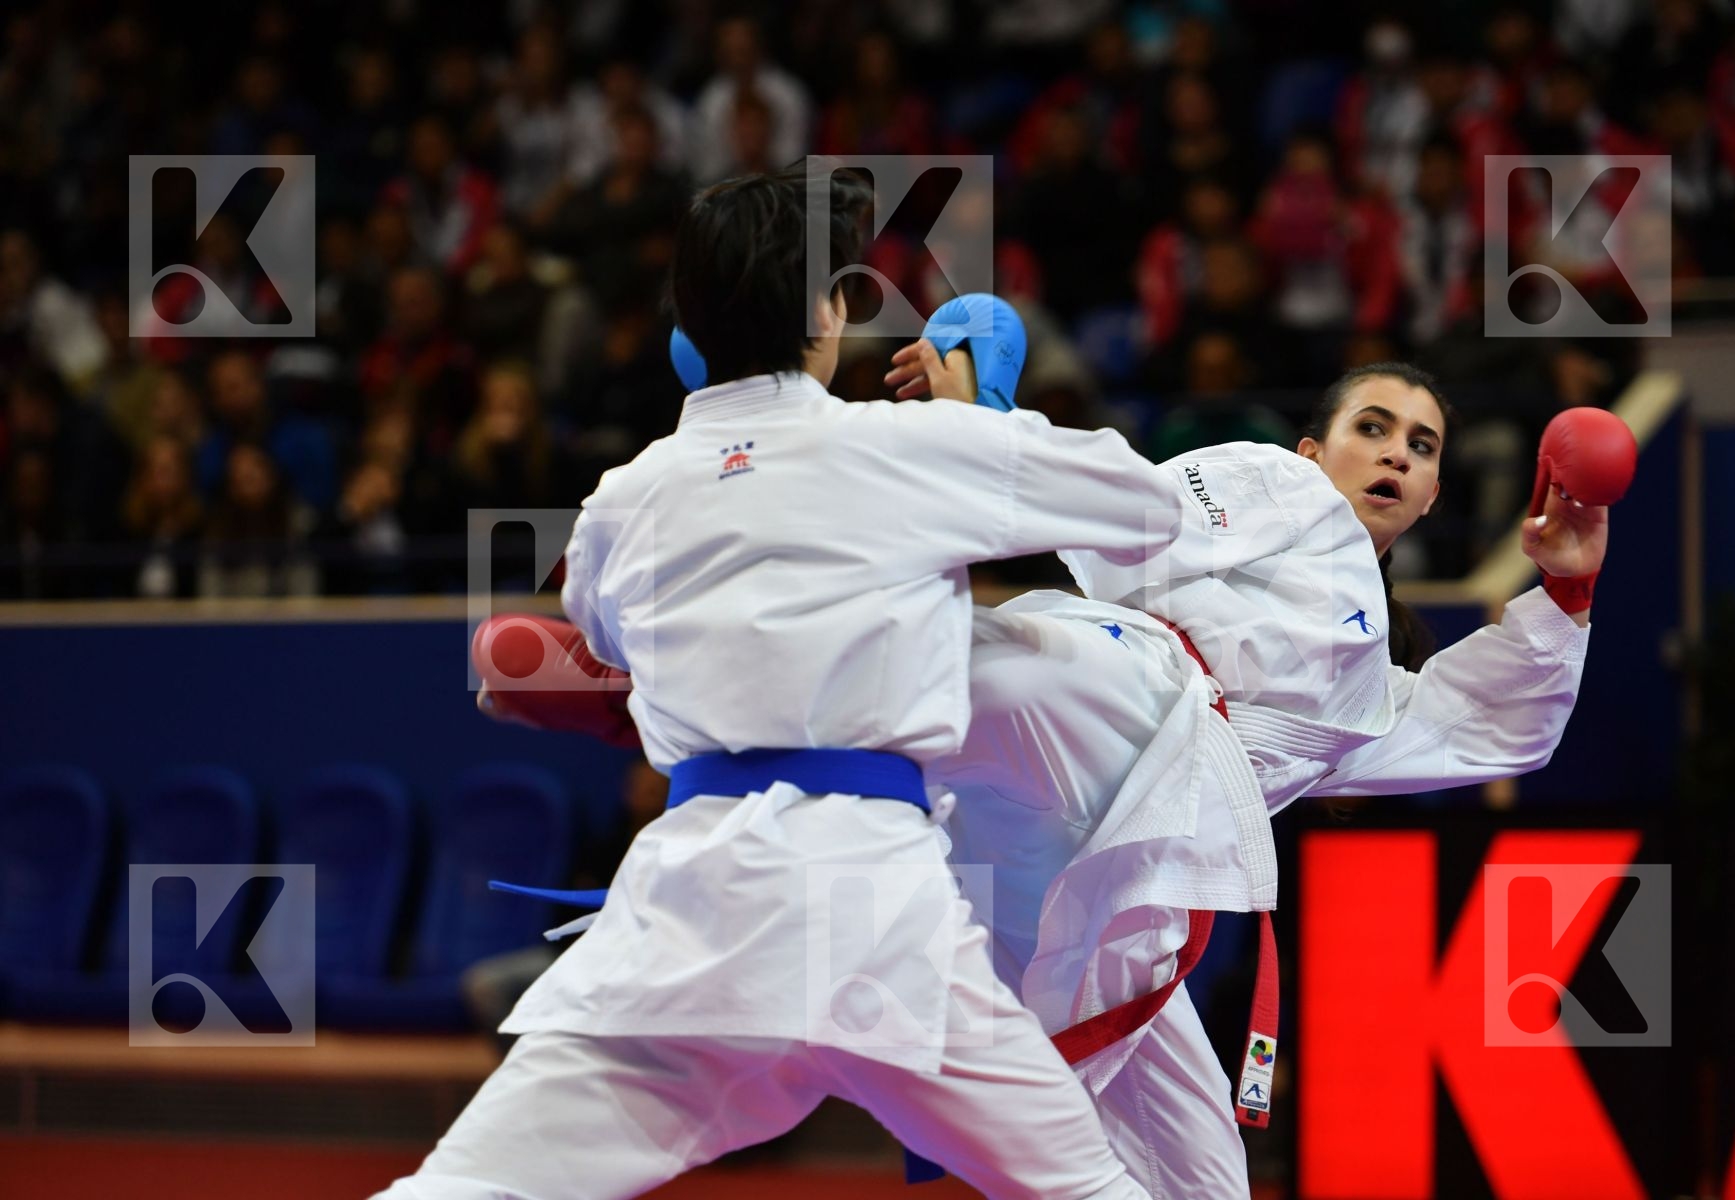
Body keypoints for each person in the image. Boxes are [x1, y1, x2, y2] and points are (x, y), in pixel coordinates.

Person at [375, 174, 1180, 1200]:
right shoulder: (905, 449)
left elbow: (606, 630)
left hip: (688, 917)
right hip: (871, 909)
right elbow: (1149, 509)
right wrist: (980, 420)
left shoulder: (624, 499)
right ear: (829, 313)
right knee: (1086, 1189)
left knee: (471, 1189)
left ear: (688, 334)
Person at [921, 360, 1603, 1198]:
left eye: (1420, 447)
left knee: (1202, 1182)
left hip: (1120, 884)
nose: (1395, 454)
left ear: (1432, 495)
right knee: (949, 663)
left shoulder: (1360, 704)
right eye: (1373, 428)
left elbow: (1497, 726)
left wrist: (1570, 586)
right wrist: (983, 431)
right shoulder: (1279, 482)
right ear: (1312, 452)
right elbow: (1132, 511)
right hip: (1114, 684)